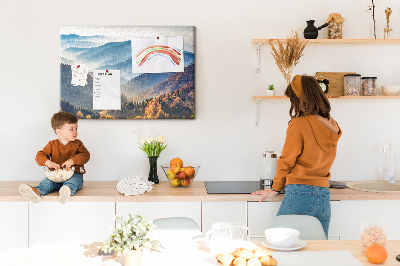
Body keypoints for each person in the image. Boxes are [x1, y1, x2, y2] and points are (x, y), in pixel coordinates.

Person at [252, 75, 342, 238]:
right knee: (318, 251)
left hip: (300, 194)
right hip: (323, 196)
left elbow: (286, 161)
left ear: (300, 99)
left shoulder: (299, 124)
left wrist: (275, 188)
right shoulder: (332, 124)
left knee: (279, 244)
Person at [19, 111, 90, 204]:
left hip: (74, 174)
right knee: (46, 183)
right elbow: (40, 156)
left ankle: (66, 191)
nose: (75, 132)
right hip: (55, 176)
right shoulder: (52, 144)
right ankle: (36, 192)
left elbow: (85, 155)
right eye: (71, 129)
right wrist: (48, 162)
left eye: (76, 128)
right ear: (59, 131)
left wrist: (72, 161)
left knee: (73, 182)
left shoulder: (78, 144)